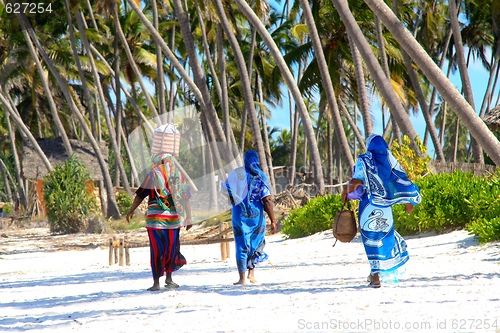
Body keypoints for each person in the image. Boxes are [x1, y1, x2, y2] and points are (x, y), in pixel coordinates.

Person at [342, 134, 421, 288]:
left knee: (371, 239)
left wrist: (345, 193)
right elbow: (400, 181)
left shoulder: (364, 160)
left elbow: (357, 181)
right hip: (385, 208)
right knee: (384, 237)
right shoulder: (390, 161)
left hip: (368, 206)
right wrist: (408, 201)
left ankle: (375, 276)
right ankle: (376, 274)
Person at [127, 152, 192, 291]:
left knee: (157, 250)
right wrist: (189, 217)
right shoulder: (178, 175)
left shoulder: (153, 174)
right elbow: (186, 197)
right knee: (171, 248)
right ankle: (169, 279)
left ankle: (156, 284)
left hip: (155, 221)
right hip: (174, 221)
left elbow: (140, 195)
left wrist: (131, 210)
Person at [221, 150, 277, 285]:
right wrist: (273, 221)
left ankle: (242, 279)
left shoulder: (236, 173)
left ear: (245, 160)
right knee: (255, 243)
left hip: (239, 215)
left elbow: (224, 189)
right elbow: (267, 199)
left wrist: (235, 200)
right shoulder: (260, 175)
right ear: (256, 159)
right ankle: (251, 273)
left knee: (241, 244)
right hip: (256, 216)